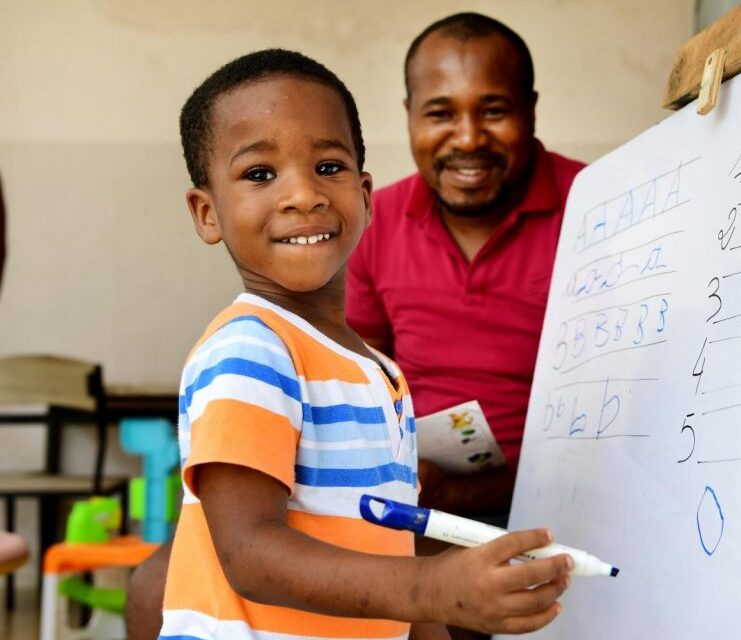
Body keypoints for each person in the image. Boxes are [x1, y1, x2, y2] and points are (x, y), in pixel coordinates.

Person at [151, 48, 572, 640]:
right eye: (259, 174)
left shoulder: (377, 371)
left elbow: (393, 553)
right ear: (207, 213)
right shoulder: (249, 350)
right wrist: (435, 587)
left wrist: (434, 605)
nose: (303, 195)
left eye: (328, 167)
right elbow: (248, 555)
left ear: (368, 196)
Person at [346, 13, 586, 519]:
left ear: (532, 110)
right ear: (410, 115)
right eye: (441, 114)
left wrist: (463, 497)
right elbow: (359, 378)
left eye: (494, 111)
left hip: (569, 505)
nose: (470, 139)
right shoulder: (375, 221)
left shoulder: (597, 206)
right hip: (414, 502)